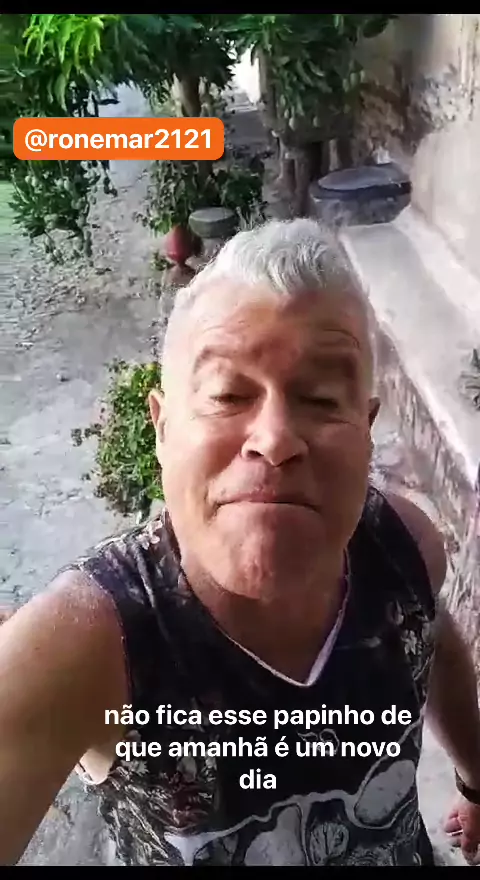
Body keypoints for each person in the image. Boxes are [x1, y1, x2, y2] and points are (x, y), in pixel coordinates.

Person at [1, 218, 480, 867]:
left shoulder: (404, 549)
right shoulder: (96, 641)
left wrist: (475, 780)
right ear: (163, 428)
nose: (276, 439)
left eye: (321, 398)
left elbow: (435, 643)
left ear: (366, 429)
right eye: (228, 395)